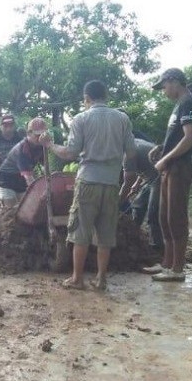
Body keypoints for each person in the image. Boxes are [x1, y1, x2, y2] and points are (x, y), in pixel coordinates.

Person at [40, 80, 135, 291]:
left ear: (86, 99)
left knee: (80, 231)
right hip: (111, 183)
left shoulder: (81, 119)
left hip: (88, 182)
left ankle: (77, 279)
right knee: (105, 234)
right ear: (106, 96)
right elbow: (132, 152)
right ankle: (101, 279)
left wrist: (50, 145)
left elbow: (70, 153)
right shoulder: (122, 118)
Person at [143, 68, 192, 282]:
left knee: (176, 217)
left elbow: (189, 138)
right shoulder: (178, 106)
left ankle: (177, 269)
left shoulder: (188, 103)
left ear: (174, 81)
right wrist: (161, 149)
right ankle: (166, 263)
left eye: (164, 86)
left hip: (178, 168)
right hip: (169, 168)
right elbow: (177, 137)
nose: (163, 91)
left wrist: (166, 159)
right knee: (164, 217)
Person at [119, 138, 163, 249]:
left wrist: (117, 203)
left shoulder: (127, 152)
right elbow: (144, 163)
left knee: (153, 212)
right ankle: (133, 236)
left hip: (161, 177)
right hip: (150, 177)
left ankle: (156, 248)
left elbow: (128, 181)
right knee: (138, 205)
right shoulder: (134, 142)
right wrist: (137, 183)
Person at [0, 117, 47, 207]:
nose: (40, 138)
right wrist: (39, 193)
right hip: (7, 179)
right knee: (10, 209)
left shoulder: (41, 146)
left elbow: (45, 166)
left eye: (42, 135)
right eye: (37, 135)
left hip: (20, 180)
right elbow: (28, 178)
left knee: (25, 207)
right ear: (29, 133)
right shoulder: (22, 149)